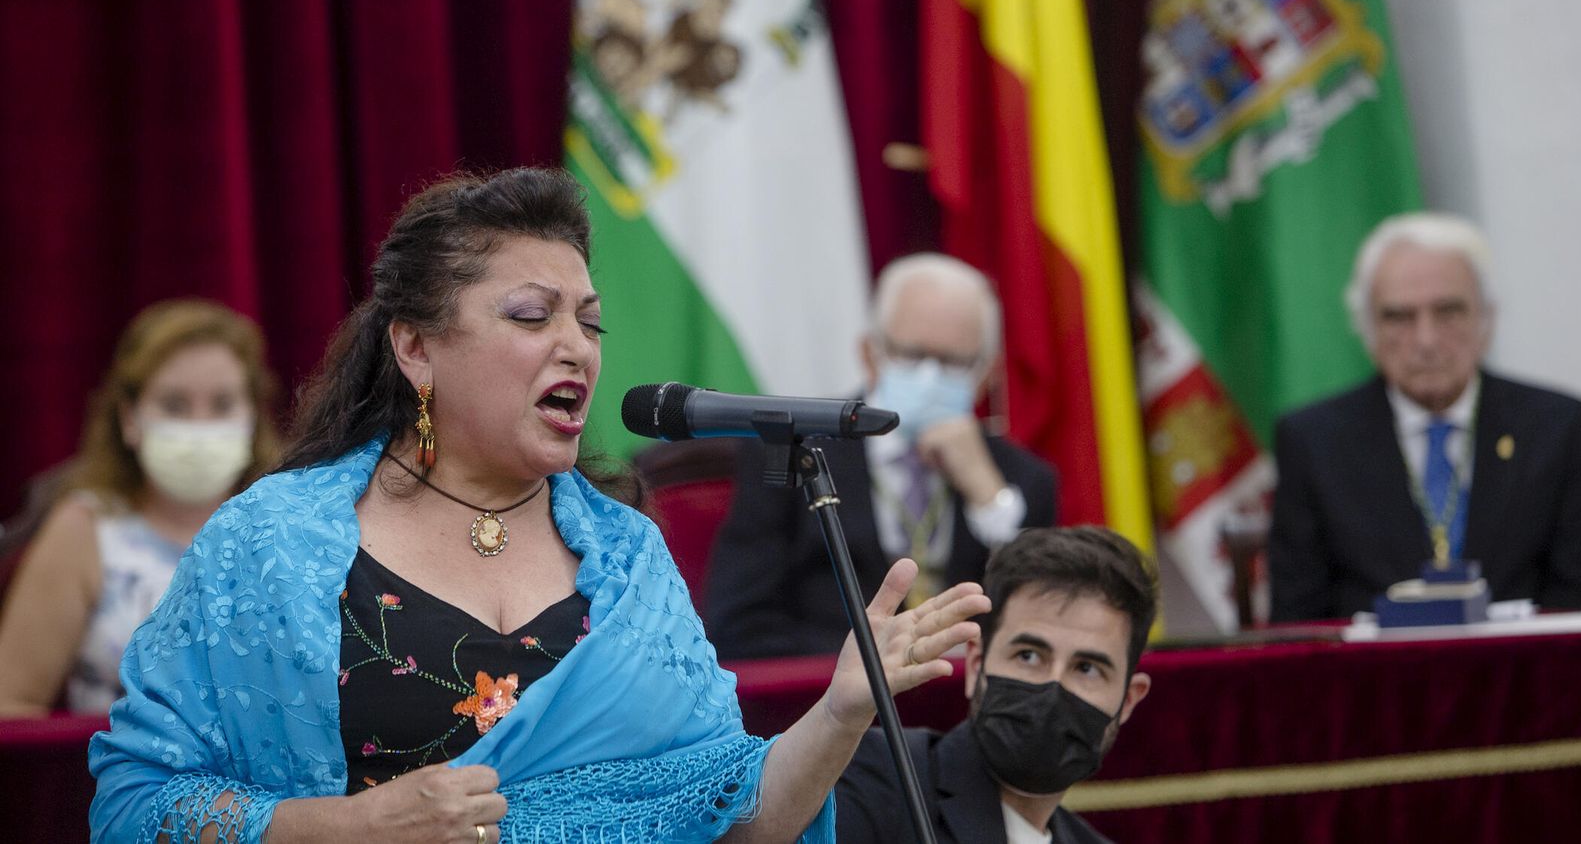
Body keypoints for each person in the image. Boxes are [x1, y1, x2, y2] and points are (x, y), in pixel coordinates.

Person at [88, 167, 990, 844]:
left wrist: (838, 712)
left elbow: (729, 822)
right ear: (415, 347)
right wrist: (348, 828)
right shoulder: (270, 542)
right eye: (531, 316)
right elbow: (138, 804)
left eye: (589, 323)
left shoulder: (628, 559)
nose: (578, 348)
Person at [704, 253, 1058, 659]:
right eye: (911, 355)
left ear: (987, 373)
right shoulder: (792, 447)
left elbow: (1044, 628)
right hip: (831, 687)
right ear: (870, 354)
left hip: (963, 691)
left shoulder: (1023, 479)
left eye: (954, 362)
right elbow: (738, 624)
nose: (929, 377)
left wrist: (990, 501)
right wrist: (871, 668)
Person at [1269, 213, 1581, 622]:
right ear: (1368, 331)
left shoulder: (1555, 428)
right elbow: (1298, 622)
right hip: (1374, 663)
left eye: (1448, 312)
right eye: (1399, 317)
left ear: (1487, 320)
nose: (1425, 340)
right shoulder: (1313, 442)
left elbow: (1579, 604)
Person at [0, 299, 279, 716]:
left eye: (222, 404)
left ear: (252, 416)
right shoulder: (84, 529)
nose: (200, 427)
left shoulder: (285, 528)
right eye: (174, 405)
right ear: (129, 418)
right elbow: (10, 706)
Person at [835, 526, 1154, 843]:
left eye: (1087, 668)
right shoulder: (880, 773)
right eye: (1028, 655)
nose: (1053, 689)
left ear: (1128, 701)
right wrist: (832, 719)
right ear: (976, 665)